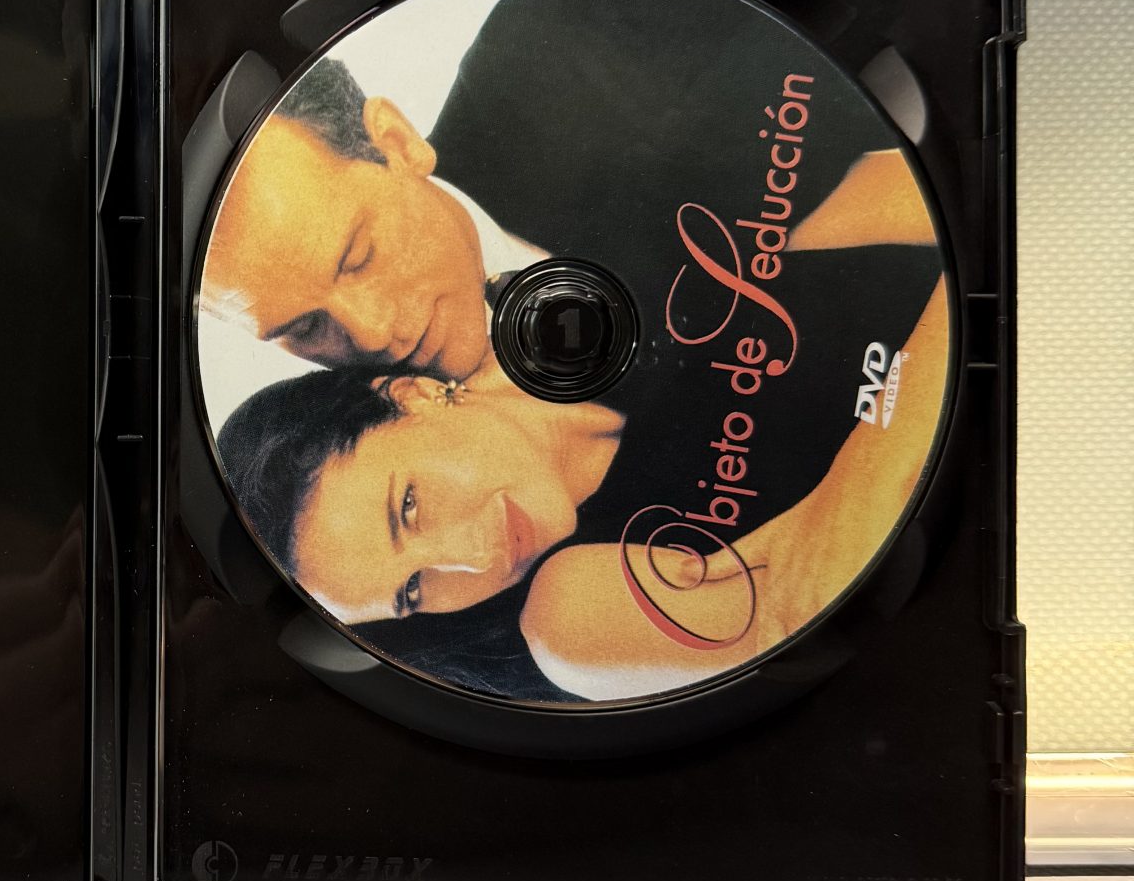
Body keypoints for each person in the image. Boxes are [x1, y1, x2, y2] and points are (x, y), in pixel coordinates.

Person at [215, 254, 947, 703]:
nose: (473, 558)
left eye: (409, 508)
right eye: (413, 592)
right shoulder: (569, 623)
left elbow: (895, 202)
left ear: (409, 396)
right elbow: (809, 588)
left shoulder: (583, 279)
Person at [200, 0, 936, 383]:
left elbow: (897, 124)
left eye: (359, 255)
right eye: (305, 328)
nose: (371, 334)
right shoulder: (351, 494)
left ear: (396, 142)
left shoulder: (571, 25)